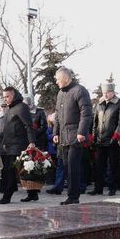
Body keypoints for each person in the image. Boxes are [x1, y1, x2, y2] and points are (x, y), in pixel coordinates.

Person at [52, 67, 93, 205]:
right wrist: (55, 132)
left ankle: (73, 196)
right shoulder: (60, 93)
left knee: (73, 167)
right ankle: (72, 194)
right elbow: (57, 115)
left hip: (75, 135)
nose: (56, 82)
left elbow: (86, 113)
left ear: (66, 78)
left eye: (58, 79)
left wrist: (82, 132)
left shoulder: (79, 90)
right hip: (63, 137)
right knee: (66, 166)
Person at [0, 86, 35, 203]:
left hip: (19, 144)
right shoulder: (10, 109)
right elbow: (7, 128)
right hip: (10, 145)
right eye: (4, 97)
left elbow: (28, 125)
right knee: (22, 170)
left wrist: (32, 142)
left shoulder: (22, 107)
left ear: (14, 95)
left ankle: (7, 196)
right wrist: (4, 143)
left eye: (7, 96)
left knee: (11, 171)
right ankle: (33, 194)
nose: (5, 99)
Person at [91, 82, 120, 196]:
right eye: (104, 92)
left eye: (108, 92)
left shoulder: (119, 103)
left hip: (112, 140)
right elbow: (95, 122)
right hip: (100, 140)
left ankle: (112, 188)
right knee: (98, 166)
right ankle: (98, 188)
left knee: (113, 166)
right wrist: (94, 136)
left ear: (113, 92)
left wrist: (116, 136)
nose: (106, 95)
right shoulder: (99, 104)